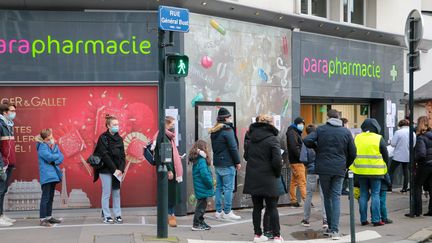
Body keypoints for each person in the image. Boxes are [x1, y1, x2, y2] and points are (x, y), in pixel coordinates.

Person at [304, 109, 356, 240]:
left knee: (327, 197)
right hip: (339, 168)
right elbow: (353, 152)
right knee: (336, 197)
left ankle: (330, 227)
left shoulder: (321, 130)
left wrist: (316, 147)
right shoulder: (345, 131)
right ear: (339, 117)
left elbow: (306, 140)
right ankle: (335, 230)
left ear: (328, 118)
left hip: (323, 168)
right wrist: (346, 165)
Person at [244, 115, 284, 243]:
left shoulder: (251, 138)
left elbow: (246, 156)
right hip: (269, 177)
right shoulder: (273, 139)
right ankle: (277, 236)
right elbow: (277, 161)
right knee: (272, 207)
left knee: (257, 207)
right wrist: (277, 174)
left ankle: (257, 235)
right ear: (270, 124)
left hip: (253, 177)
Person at [349, 118, 389, 227]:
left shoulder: (357, 138)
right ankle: (376, 220)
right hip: (376, 171)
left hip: (360, 171)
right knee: (375, 194)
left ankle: (363, 219)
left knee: (363, 194)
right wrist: (386, 169)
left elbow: (352, 152)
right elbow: (385, 155)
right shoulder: (378, 138)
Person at [93, 114, 126, 224]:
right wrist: (114, 170)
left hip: (118, 171)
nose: (117, 126)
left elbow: (123, 156)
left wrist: (120, 169)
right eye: (114, 124)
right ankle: (106, 216)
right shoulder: (103, 138)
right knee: (106, 193)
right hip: (106, 170)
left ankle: (118, 215)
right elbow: (104, 155)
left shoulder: (119, 138)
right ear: (108, 126)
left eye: (117, 124)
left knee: (116, 192)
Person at [210, 107, 241, 220]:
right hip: (227, 163)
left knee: (219, 188)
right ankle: (227, 211)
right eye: (229, 117)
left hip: (218, 163)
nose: (230, 119)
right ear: (226, 118)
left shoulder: (214, 131)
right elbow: (233, 148)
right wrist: (237, 161)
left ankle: (218, 211)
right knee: (228, 188)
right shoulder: (227, 130)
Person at [300, 124, 328, 229]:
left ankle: (306, 219)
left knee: (309, 195)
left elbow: (303, 158)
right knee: (324, 195)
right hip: (323, 170)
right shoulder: (322, 139)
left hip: (312, 171)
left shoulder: (306, 142)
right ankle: (325, 220)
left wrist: (309, 165)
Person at [36, 129, 64, 227]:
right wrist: (55, 157)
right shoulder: (42, 147)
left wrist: (54, 160)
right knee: (46, 197)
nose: (51, 140)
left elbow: (61, 157)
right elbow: (49, 157)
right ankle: (43, 219)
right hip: (47, 176)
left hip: (54, 175)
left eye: (51, 137)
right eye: (48, 139)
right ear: (44, 140)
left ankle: (49, 216)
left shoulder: (54, 146)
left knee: (50, 197)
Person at [406, 116, 432, 217]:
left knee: (416, 186)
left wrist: (415, 159)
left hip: (425, 165)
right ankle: (431, 211)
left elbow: (421, 154)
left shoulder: (421, 137)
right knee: (431, 187)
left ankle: (416, 210)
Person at [161, 116, 184, 227]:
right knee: (170, 195)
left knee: (172, 194)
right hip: (170, 171)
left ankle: (170, 214)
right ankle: (170, 216)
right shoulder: (165, 137)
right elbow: (166, 155)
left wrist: (177, 157)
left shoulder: (169, 137)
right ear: (166, 124)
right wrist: (169, 170)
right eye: (171, 124)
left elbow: (170, 153)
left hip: (172, 169)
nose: (173, 126)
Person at [189, 140, 214, 231]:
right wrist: (210, 183)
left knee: (202, 205)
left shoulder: (198, 159)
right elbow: (204, 174)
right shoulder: (202, 160)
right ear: (204, 148)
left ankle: (200, 221)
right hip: (203, 186)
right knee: (201, 206)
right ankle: (196, 224)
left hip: (200, 186)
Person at [0, 102, 18, 226]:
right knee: (0, 190)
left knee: (3, 190)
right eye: (11, 111)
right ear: (5, 112)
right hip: (3, 164)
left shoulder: (9, 124)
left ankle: (1, 214)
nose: (14, 113)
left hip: (9, 163)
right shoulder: (1, 125)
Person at [389, 119, 415, 193]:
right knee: (405, 171)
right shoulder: (412, 133)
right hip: (407, 155)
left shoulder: (398, 132)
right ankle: (405, 188)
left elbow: (393, 144)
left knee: (391, 171)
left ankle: (389, 186)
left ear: (400, 125)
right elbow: (413, 144)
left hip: (398, 155)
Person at [286, 117, 306, 207]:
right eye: (301, 124)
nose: (302, 126)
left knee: (294, 182)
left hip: (295, 160)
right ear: (297, 124)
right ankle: (306, 200)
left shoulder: (294, 132)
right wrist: (301, 157)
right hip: (297, 161)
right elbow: (294, 147)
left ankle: (293, 200)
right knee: (302, 181)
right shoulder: (292, 133)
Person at [341, 118, 350, 195]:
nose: (348, 125)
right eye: (347, 123)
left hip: (341, 157)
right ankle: (343, 189)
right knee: (344, 174)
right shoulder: (346, 133)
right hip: (344, 157)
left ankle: (342, 189)